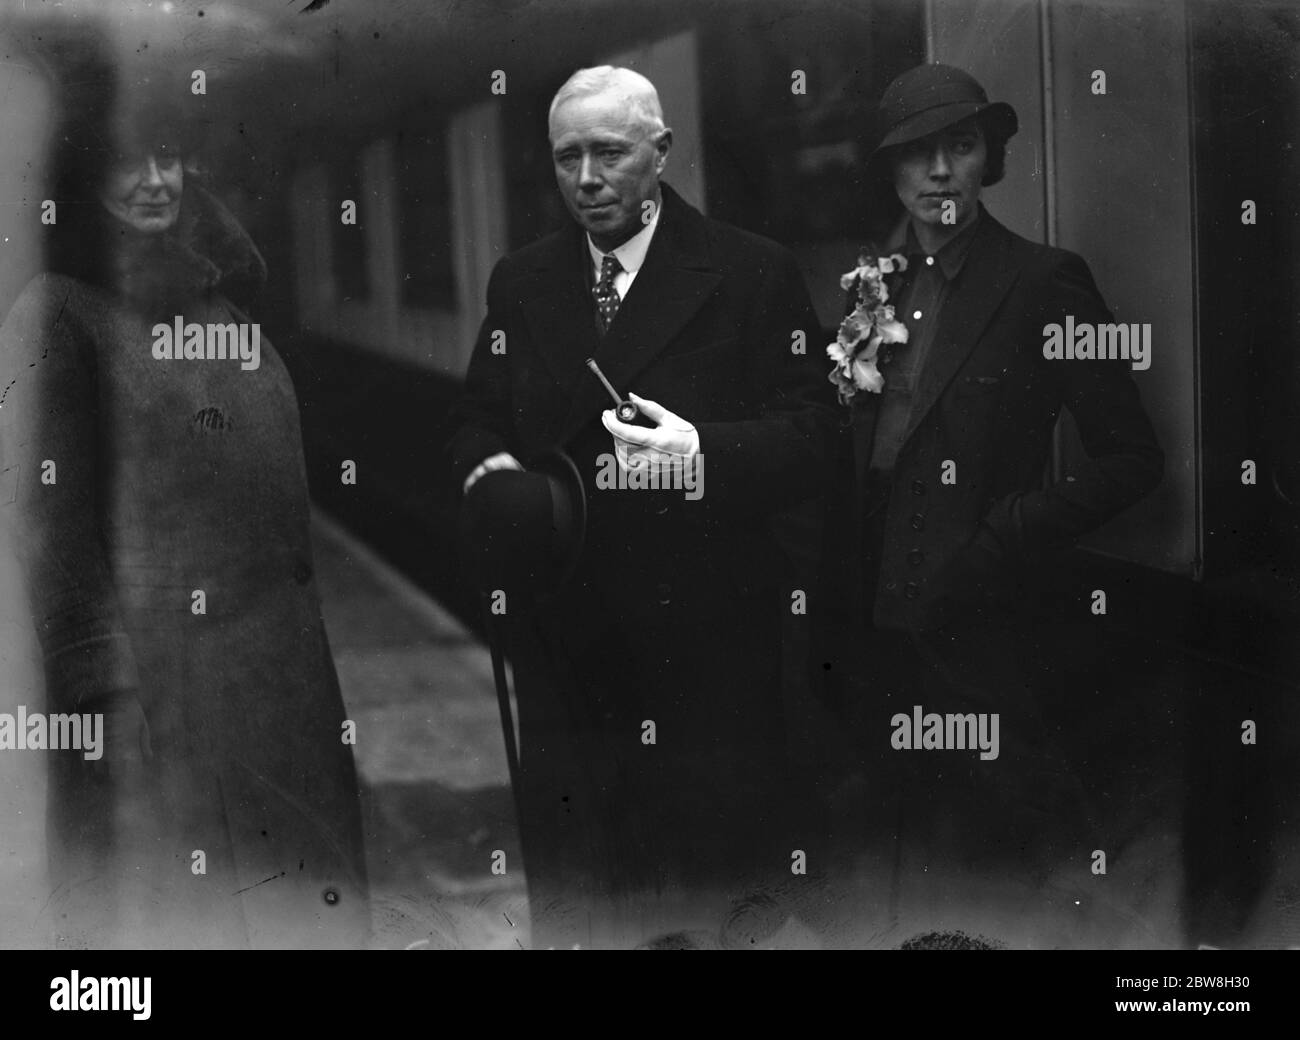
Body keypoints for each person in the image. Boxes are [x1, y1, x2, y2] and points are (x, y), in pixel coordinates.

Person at [450, 66, 836, 947]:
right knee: (584, 889)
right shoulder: (524, 280)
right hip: (564, 645)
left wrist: (701, 449)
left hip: (705, 653)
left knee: (700, 891)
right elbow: (473, 415)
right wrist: (491, 467)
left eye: (611, 153)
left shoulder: (751, 272)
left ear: (661, 152)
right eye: (567, 157)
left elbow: (818, 439)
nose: (586, 179)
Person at [0, 79, 369, 949]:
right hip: (168, 711)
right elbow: (51, 524)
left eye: (168, 157)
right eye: (128, 160)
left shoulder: (217, 304)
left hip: (281, 700)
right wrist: (105, 694)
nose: (153, 179)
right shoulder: (59, 310)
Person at [833, 63, 1164, 938]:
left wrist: (1002, 536)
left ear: (989, 159)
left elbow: (1133, 459)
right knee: (891, 860)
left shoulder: (1047, 280)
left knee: (1003, 863)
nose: (940, 171)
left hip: (985, 631)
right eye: (917, 154)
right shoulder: (872, 286)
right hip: (873, 627)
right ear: (892, 174)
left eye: (962, 146)